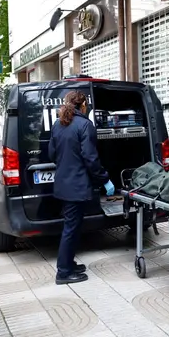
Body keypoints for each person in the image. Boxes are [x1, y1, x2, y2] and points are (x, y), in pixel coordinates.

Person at [48, 91, 112, 285]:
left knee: (73, 227)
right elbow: (91, 159)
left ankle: (68, 263)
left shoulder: (58, 125)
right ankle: (64, 272)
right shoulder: (85, 125)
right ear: (83, 105)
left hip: (63, 184)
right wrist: (105, 179)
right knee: (71, 228)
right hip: (77, 186)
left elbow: (52, 154)